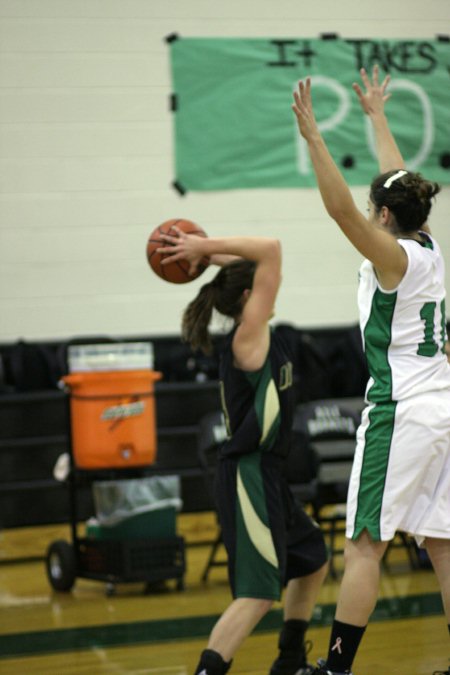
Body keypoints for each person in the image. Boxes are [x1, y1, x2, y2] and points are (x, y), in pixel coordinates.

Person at [291, 66, 450, 675]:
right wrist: (377, 115)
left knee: (364, 545)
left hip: (402, 410)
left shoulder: (390, 256)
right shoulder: (426, 244)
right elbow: (399, 179)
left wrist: (315, 138)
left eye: (373, 206)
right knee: (441, 544)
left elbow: (340, 212)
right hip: (440, 407)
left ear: (383, 217)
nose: (367, 210)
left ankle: (334, 670)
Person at [157, 231, 329, 675]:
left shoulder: (258, 330)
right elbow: (271, 247)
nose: (279, 282)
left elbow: (260, 260)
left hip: (268, 474)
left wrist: (207, 254)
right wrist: (203, 248)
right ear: (250, 295)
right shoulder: (247, 336)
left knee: (311, 559)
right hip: (248, 475)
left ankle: (289, 662)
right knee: (257, 593)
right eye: (268, 282)